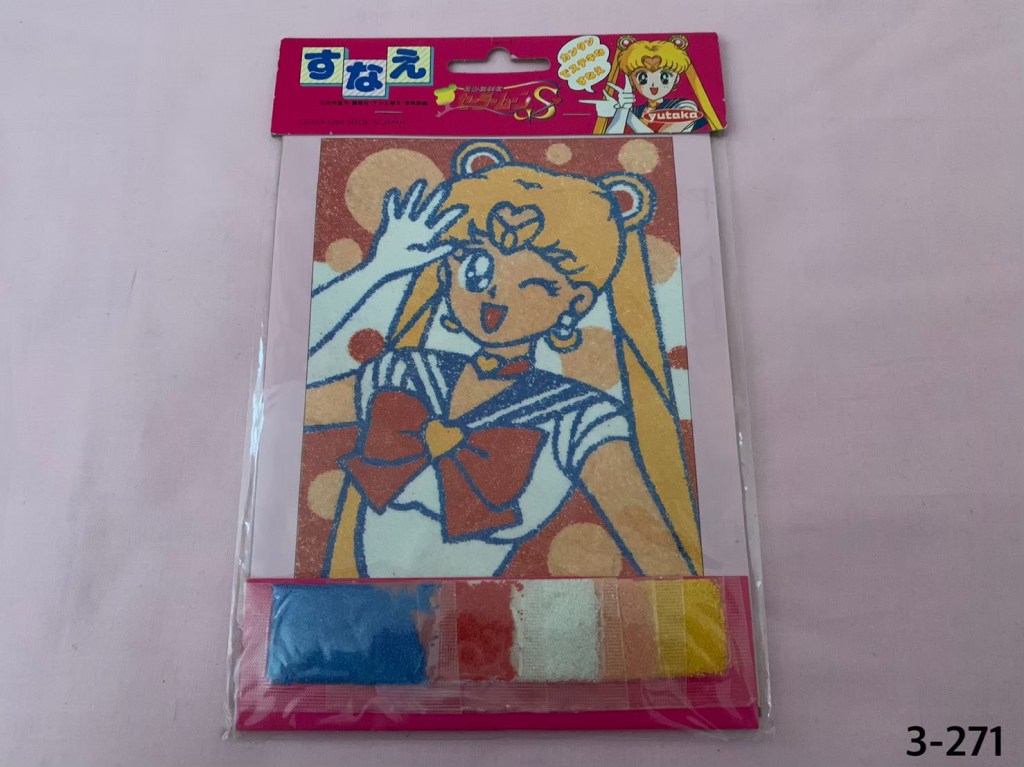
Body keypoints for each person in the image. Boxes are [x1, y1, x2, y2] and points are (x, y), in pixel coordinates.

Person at [305, 141, 702, 578]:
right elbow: (288, 405)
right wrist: (375, 271)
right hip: (358, 606)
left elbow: (660, 557)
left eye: (535, 285)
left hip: (490, 610)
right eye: (478, 267)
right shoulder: (403, 372)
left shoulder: (580, 419)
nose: (496, 294)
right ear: (448, 268)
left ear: (576, 303)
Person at [585, 36, 708, 134]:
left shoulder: (685, 106)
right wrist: (622, 110)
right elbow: (609, 140)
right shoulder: (635, 110)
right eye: (643, 78)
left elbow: (660, 139)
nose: (653, 84)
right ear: (631, 80)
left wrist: (627, 114)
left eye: (664, 77)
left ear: (676, 79)